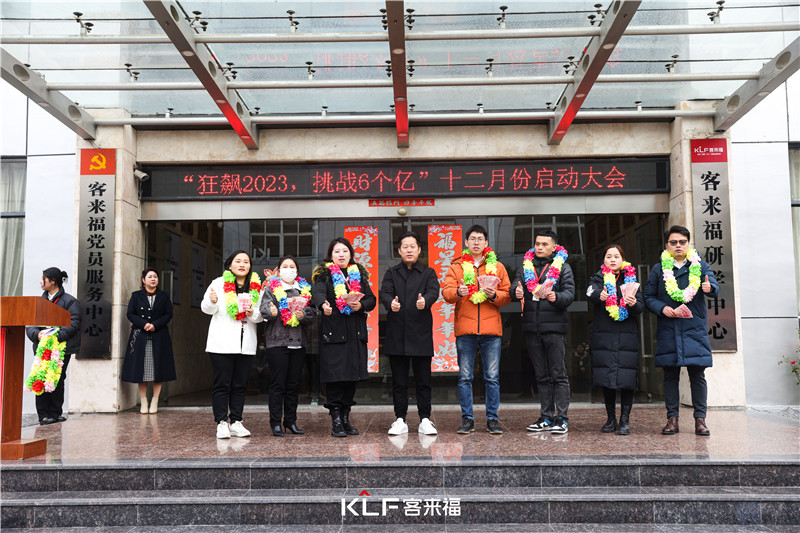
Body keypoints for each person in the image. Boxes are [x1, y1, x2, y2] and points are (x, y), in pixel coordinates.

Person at [644, 225, 719, 436]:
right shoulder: (659, 269)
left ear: (688, 244)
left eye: (682, 242)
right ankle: (672, 420)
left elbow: (714, 287)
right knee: (670, 376)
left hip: (694, 329)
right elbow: (648, 296)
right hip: (669, 328)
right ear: (667, 245)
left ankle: (700, 420)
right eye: (674, 242)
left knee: (698, 375)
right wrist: (663, 308)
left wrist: (710, 288)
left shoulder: (700, 265)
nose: (678, 246)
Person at [442, 224, 511, 435]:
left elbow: (507, 295)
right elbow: (446, 293)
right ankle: (467, 419)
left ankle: (492, 419)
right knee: (465, 377)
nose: (476, 242)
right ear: (466, 242)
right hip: (466, 329)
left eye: (480, 239)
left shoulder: (497, 266)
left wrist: (494, 295)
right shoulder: (456, 267)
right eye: (472, 239)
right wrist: (458, 291)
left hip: (491, 330)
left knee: (492, 377)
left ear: (486, 243)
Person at [511, 229, 575, 435]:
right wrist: (515, 292)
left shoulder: (563, 267)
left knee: (558, 375)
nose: (539, 247)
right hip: (532, 328)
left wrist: (556, 297)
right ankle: (546, 417)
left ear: (554, 247)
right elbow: (514, 288)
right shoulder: (525, 266)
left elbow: (570, 294)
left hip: (554, 329)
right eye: (537, 243)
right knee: (541, 376)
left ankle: (562, 418)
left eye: (544, 244)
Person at [311, 237, 377, 437]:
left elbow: (371, 299)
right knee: (335, 378)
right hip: (334, 333)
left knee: (351, 378)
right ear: (331, 255)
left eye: (345, 251)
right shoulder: (324, 274)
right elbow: (317, 293)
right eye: (337, 251)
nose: (341, 254)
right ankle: (336, 421)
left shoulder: (358, 274)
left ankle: (346, 418)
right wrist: (323, 304)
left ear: (351, 254)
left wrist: (361, 305)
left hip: (355, 334)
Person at [380, 231, 441, 436]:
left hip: (420, 334)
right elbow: (385, 292)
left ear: (419, 249)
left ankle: (425, 419)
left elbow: (434, 290)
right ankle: (400, 419)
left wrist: (426, 301)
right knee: (399, 382)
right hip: (397, 334)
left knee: (423, 381)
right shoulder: (392, 273)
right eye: (405, 247)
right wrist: (391, 303)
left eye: (412, 246)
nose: (408, 250)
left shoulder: (428, 272)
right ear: (399, 250)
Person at [201, 250, 263, 439]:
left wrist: (252, 312)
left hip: (245, 344)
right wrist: (212, 301)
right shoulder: (218, 283)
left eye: (246, 261)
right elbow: (206, 308)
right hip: (222, 343)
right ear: (230, 265)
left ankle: (236, 421)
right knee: (222, 384)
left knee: (240, 385)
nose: (242, 264)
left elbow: (261, 316)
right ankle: (221, 422)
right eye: (238, 261)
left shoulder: (256, 287)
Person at [586, 244, 645, 435]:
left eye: (616, 256)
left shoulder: (631, 279)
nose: (612, 260)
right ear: (603, 260)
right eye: (609, 256)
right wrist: (600, 295)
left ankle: (624, 420)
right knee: (607, 378)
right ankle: (611, 419)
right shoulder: (598, 278)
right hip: (604, 335)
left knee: (627, 378)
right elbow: (589, 293)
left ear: (623, 259)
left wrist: (633, 304)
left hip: (626, 335)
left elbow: (641, 306)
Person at [260, 255, 317, 437]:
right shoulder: (271, 289)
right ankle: (275, 423)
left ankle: (291, 421)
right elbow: (263, 309)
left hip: (298, 343)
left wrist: (304, 315)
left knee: (293, 384)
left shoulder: (304, 290)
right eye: (284, 266)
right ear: (278, 270)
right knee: (278, 384)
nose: (288, 269)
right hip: (278, 342)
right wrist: (271, 311)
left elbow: (313, 311)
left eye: (292, 266)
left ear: (297, 270)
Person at [25, 268, 81, 426]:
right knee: (41, 377)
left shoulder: (70, 301)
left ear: (53, 281)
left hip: (61, 348)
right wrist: (37, 334)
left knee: (58, 378)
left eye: (44, 278)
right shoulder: (39, 302)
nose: (41, 281)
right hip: (42, 348)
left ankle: (55, 413)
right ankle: (43, 415)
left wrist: (54, 337)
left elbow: (74, 324)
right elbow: (30, 323)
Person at [122, 268, 176, 414]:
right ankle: (144, 400)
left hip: (159, 336)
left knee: (158, 369)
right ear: (143, 280)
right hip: (141, 336)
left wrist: (155, 325)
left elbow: (168, 314)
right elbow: (130, 314)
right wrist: (144, 324)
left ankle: (155, 400)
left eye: (155, 277)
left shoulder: (164, 296)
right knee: (142, 369)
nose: (153, 279)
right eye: (150, 276)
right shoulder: (136, 296)